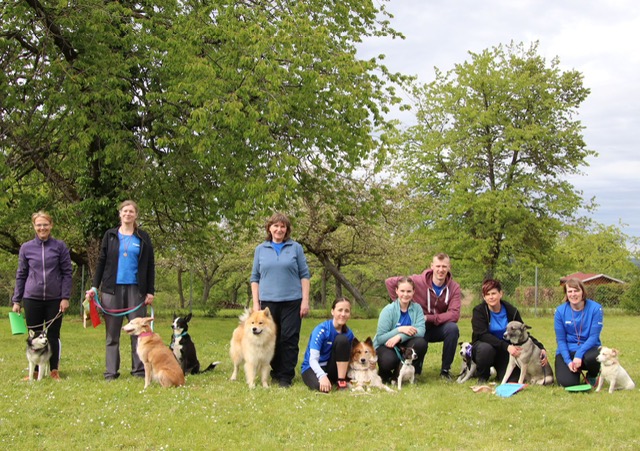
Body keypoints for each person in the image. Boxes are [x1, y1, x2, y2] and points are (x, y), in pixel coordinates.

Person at [90, 200, 155, 380]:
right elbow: (101, 262)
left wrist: (150, 291)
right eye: (125, 211)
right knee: (112, 333)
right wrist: (95, 287)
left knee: (138, 332)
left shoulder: (143, 237)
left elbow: (150, 265)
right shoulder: (110, 235)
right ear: (120, 214)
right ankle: (111, 372)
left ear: (136, 215)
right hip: (112, 290)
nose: (128, 214)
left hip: (136, 290)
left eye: (131, 211)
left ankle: (139, 371)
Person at [251, 213, 311, 387]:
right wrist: (256, 305)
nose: (279, 229)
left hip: (293, 301)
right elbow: (255, 278)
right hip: (268, 304)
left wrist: (305, 300)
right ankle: (275, 372)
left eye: (283, 226)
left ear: (287, 230)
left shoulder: (296, 248)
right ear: (269, 228)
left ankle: (286, 376)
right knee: (271, 339)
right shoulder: (261, 249)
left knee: (289, 339)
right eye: (276, 226)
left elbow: (304, 275)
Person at [12, 211, 73, 381]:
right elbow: (21, 274)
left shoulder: (60, 247)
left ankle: (54, 370)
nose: (42, 228)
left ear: (51, 225)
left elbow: (67, 273)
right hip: (32, 298)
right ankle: (36, 371)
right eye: (38, 225)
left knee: (53, 335)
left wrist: (65, 297)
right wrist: (17, 299)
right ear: (34, 226)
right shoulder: (26, 248)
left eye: (45, 224)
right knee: (35, 335)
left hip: (55, 299)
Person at [385, 253, 460, 380]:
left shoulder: (454, 287)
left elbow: (454, 314)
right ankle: (416, 368)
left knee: (452, 328)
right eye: (438, 266)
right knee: (420, 342)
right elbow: (390, 282)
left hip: (439, 327)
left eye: (444, 266)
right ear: (432, 266)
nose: (441, 270)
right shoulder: (418, 280)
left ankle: (445, 371)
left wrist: (430, 318)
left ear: (449, 267)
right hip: (419, 326)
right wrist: (402, 303)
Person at [471, 278, 549, 383]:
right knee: (486, 349)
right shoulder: (479, 311)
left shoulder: (511, 311)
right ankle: (483, 375)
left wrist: (540, 347)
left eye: (493, 293)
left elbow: (522, 331)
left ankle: (499, 371)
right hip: (486, 348)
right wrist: (507, 346)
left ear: (500, 294)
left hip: (506, 352)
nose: (491, 297)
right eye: (487, 294)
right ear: (484, 297)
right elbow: (482, 335)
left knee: (512, 380)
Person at [374, 277, 428, 383]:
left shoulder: (417, 308)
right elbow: (380, 338)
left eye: (409, 291)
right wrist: (400, 329)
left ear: (413, 292)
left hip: (405, 344)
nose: (405, 294)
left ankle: (403, 374)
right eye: (402, 291)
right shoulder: (388, 310)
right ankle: (385, 373)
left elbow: (421, 331)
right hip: (387, 345)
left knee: (421, 343)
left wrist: (400, 336)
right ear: (396, 291)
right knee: (388, 361)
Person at [554, 278, 603, 387]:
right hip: (568, 350)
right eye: (570, 291)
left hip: (589, 349)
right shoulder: (560, 311)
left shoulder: (596, 309)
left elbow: (594, 337)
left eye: (576, 290)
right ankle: (573, 372)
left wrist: (579, 355)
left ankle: (592, 375)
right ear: (566, 294)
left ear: (583, 292)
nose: (573, 294)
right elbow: (561, 340)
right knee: (567, 384)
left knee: (593, 357)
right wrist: (568, 361)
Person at [301, 297, 354, 392]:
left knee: (342, 339)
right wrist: (322, 376)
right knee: (321, 388)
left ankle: (341, 381)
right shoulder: (321, 330)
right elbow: (313, 360)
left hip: (331, 367)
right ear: (332, 311)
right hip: (312, 367)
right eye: (340, 310)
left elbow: (352, 356)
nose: (343, 314)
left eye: (347, 311)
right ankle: (327, 379)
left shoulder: (349, 334)